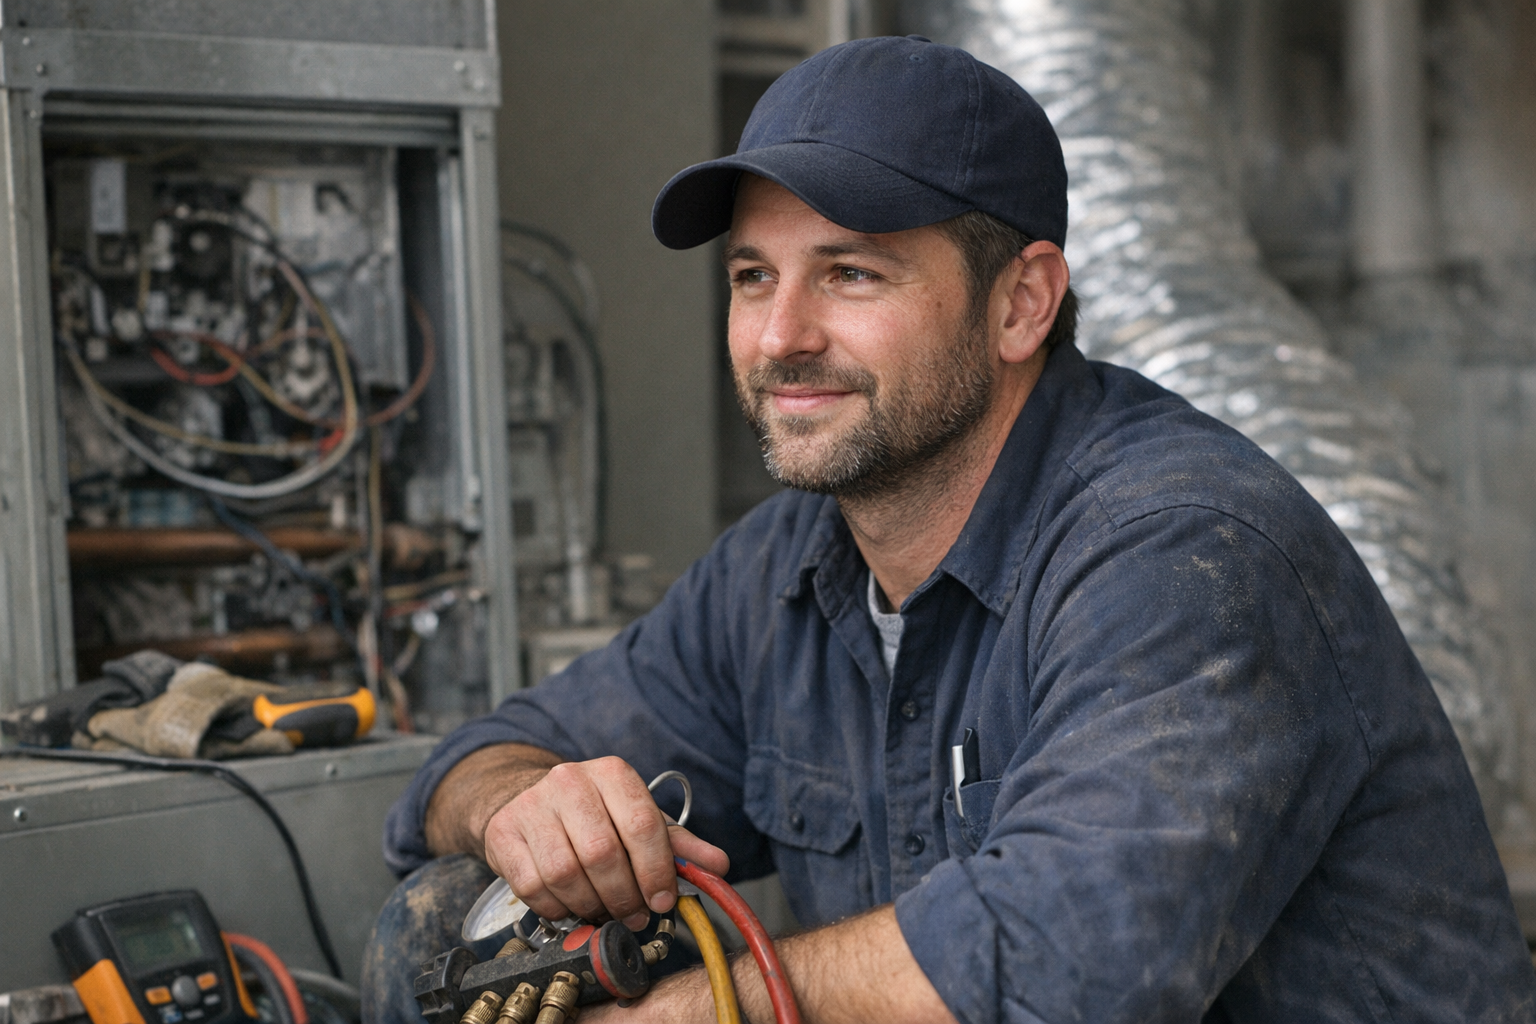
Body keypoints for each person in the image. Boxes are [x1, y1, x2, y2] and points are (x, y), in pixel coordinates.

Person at [363, 35, 1535, 1023]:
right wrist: (528, 803)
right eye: (752, 277)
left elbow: (1063, 962)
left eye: (853, 274)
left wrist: (704, 1004)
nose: (781, 336)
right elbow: (472, 767)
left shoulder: (1185, 550)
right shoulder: (790, 566)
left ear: (1021, 301)